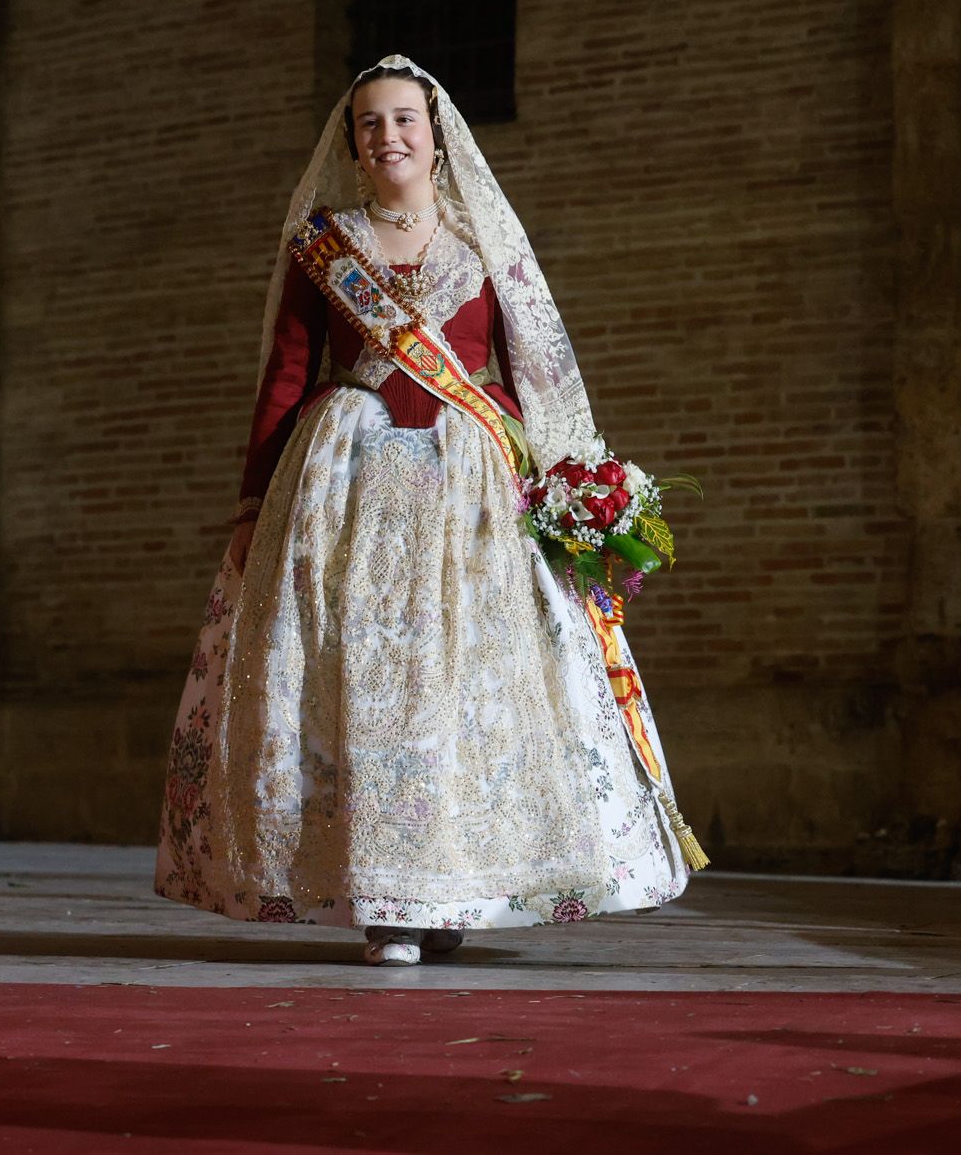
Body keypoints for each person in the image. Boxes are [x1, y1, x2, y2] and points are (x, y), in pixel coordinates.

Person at [155, 55, 703, 966]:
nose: (388, 136)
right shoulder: (323, 247)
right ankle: (386, 901)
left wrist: (574, 491)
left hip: (471, 497)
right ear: (352, 143)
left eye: (404, 119)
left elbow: (535, 374)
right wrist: (253, 502)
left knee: (463, 685)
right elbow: (286, 379)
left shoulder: (484, 244)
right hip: (347, 491)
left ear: (435, 133)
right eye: (370, 124)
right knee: (366, 684)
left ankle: (461, 889)